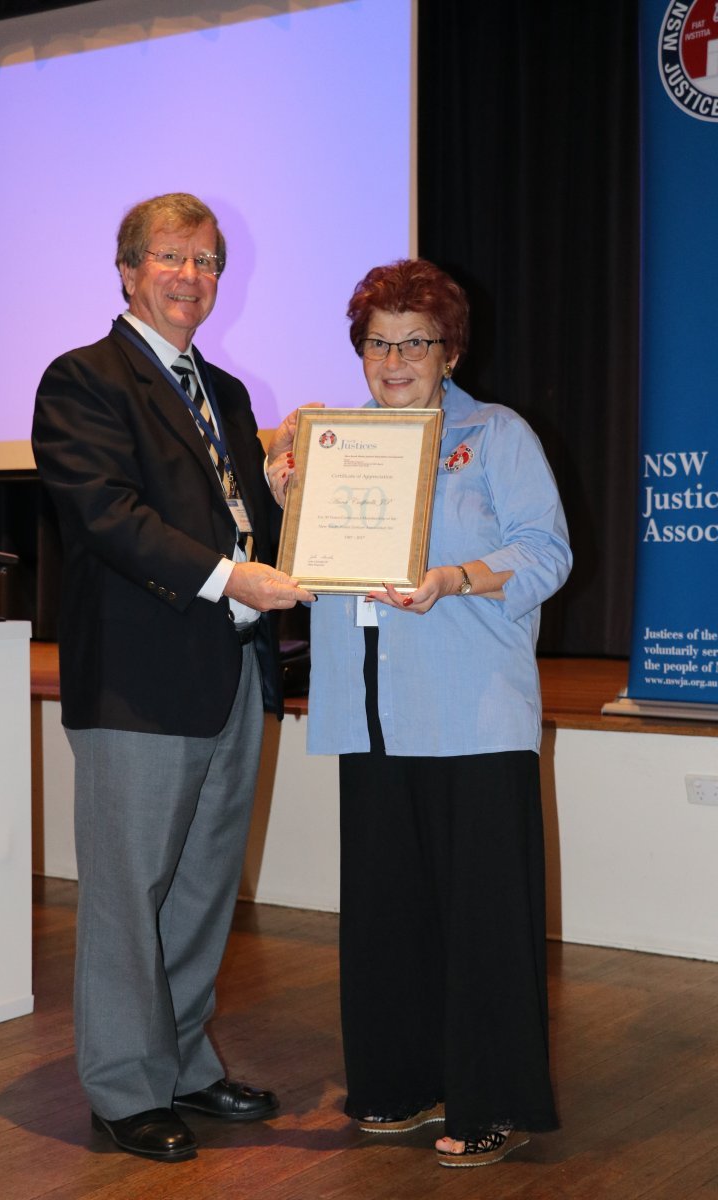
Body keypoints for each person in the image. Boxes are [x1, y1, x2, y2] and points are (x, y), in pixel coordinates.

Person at [32, 193, 313, 1163]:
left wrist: (287, 498)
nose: (192, 277)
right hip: (138, 683)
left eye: (207, 262)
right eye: (171, 257)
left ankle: (183, 1064)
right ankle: (123, 1088)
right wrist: (231, 576)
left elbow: (239, 525)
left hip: (231, 671)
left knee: (200, 891)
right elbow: (108, 516)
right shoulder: (82, 380)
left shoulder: (225, 393)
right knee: (129, 895)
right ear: (127, 270)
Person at [279, 258, 572, 1168]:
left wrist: (455, 578)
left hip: (471, 710)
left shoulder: (497, 435)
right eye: (378, 342)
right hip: (369, 708)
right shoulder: (335, 441)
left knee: (484, 919)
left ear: (451, 352)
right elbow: (304, 567)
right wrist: (291, 502)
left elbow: (546, 552)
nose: (395, 360)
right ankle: (397, 1082)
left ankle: (493, 1099)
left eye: (416, 342)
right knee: (386, 911)